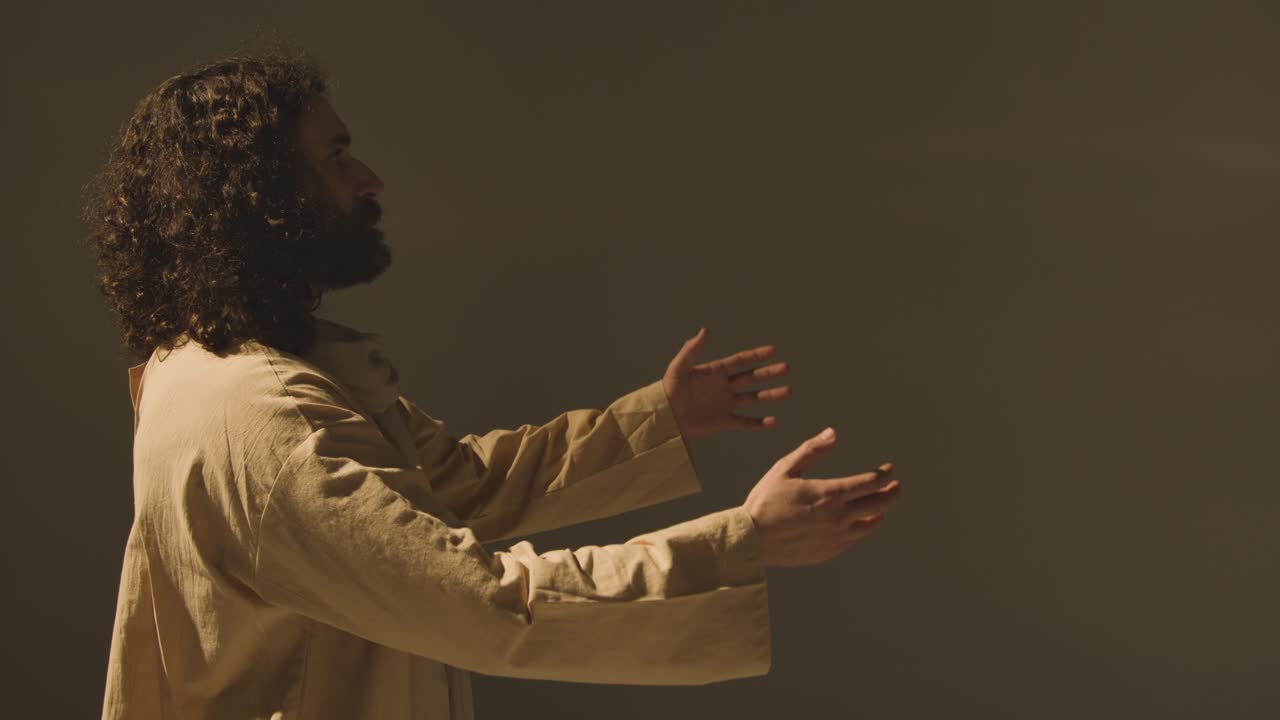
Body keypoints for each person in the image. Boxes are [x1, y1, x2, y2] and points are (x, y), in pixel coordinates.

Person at [80, 42, 902, 720]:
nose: (367, 178)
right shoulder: (257, 418)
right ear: (259, 197)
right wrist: (744, 540)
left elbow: (453, 488)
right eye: (333, 158)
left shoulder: (236, 377)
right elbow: (481, 608)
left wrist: (659, 423)